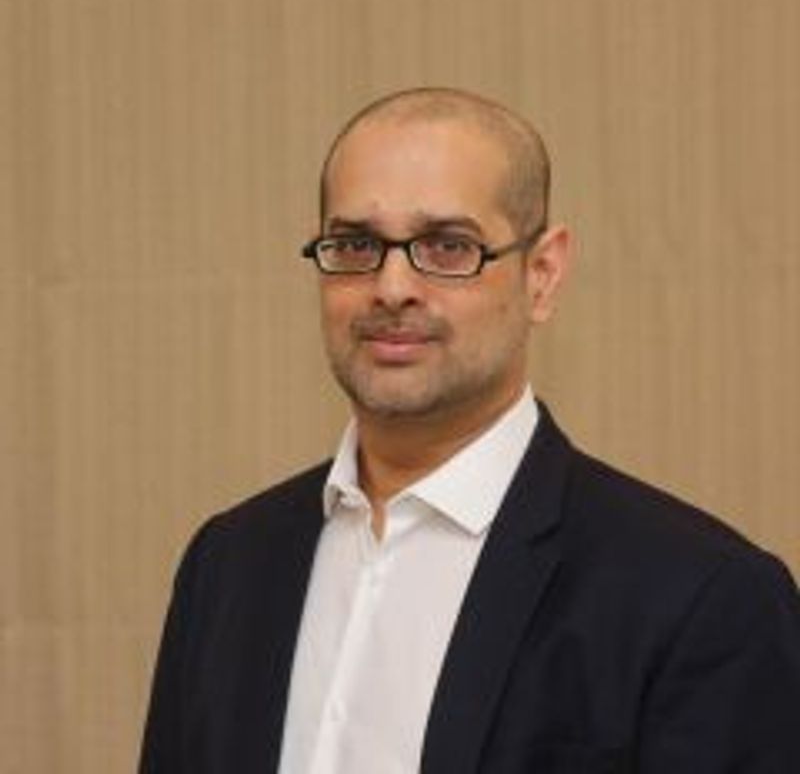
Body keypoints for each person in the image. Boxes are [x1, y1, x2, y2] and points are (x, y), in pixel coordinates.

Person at [139, 87, 800, 773]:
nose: (392, 287)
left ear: (542, 275)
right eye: (357, 244)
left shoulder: (702, 598)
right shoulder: (229, 566)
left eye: (448, 247)